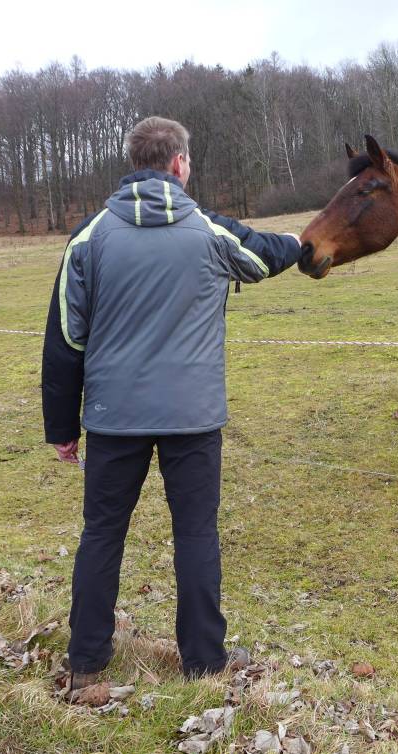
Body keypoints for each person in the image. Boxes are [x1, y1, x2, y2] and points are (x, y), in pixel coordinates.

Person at [41, 116, 303, 691]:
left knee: (102, 534)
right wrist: (303, 244)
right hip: (192, 418)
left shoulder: (89, 237)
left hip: (113, 420)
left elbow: (64, 340)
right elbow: (262, 257)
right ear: (180, 163)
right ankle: (204, 663)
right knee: (196, 535)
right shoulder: (209, 231)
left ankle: (85, 664)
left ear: (133, 162)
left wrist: (61, 427)